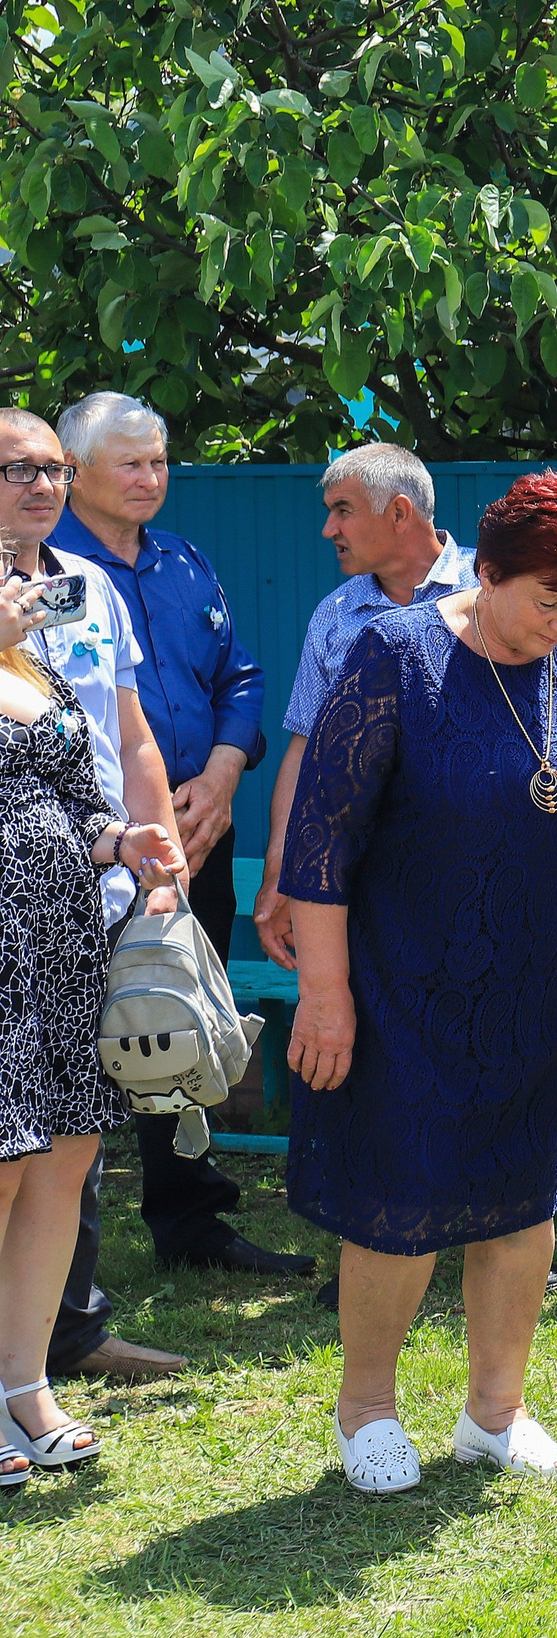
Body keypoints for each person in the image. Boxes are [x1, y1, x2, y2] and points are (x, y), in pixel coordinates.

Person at [280, 471, 557, 1493]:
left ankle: (496, 1415)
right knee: (402, 1193)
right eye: (545, 600)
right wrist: (326, 991)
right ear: (485, 572)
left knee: (524, 1198)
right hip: (403, 981)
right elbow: (320, 842)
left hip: (538, 982)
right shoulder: (397, 654)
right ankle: (367, 1413)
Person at [51, 393, 302, 1279]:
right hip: (80, 846)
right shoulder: (45, 577)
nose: (152, 478)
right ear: (74, 472)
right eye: (132, 463)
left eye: (159, 461)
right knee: (66, 1035)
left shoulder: (185, 562)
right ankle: (59, 1249)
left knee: (177, 1022)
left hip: (193, 834)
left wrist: (226, 772)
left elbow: (240, 676)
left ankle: (191, 1219)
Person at [0, 409, 194, 1383]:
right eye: (17, 469)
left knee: (73, 1142)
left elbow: (131, 733)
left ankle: (55, 1350)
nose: (41, 486)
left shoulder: (87, 595)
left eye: (53, 470)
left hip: (91, 890)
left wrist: (156, 862)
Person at [252, 444, 476, 972]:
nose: (329, 529)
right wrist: (282, 870)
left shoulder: (490, 589)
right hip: (368, 878)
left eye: (343, 510)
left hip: (478, 865)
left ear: (399, 513)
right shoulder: (336, 616)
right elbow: (306, 748)